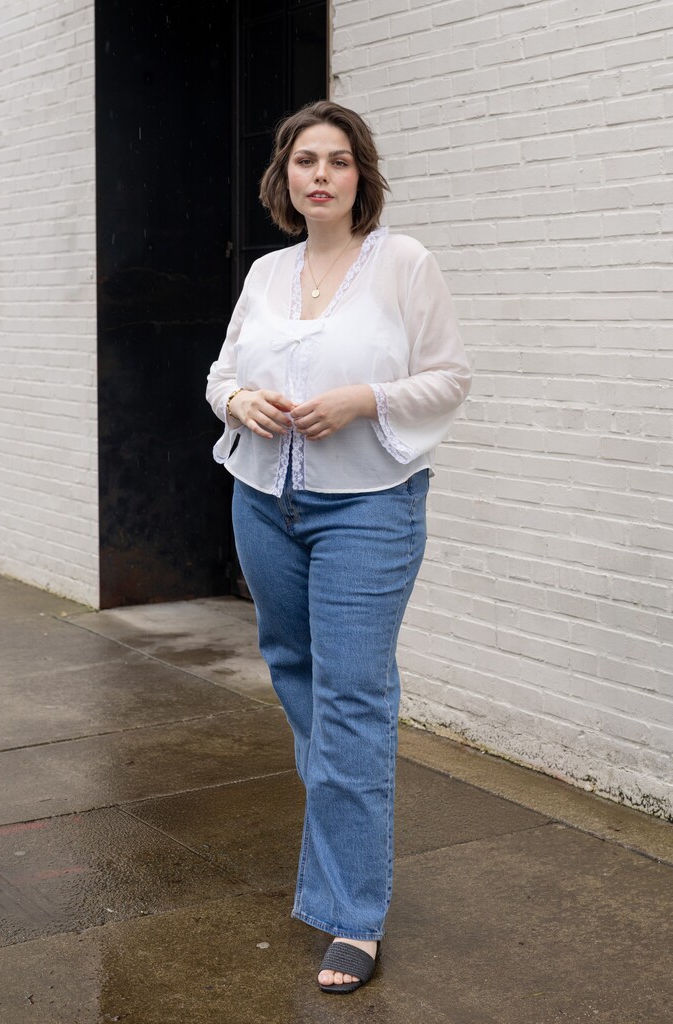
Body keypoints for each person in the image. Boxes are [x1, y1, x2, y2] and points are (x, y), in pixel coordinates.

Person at [206, 100, 471, 994]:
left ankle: (352, 916)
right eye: (305, 161)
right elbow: (221, 374)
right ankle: (343, 849)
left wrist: (365, 400)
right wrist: (238, 401)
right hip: (262, 501)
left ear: (362, 175)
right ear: (283, 177)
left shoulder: (402, 263)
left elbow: (450, 376)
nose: (320, 175)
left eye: (339, 160)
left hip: (368, 508)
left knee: (352, 700)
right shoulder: (266, 273)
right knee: (297, 677)